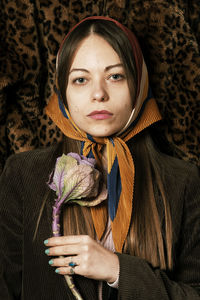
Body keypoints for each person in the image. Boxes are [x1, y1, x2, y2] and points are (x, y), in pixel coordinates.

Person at [0, 16, 200, 300]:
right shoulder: (23, 174)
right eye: (80, 79)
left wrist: (118, 270)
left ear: (138, 84)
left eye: (115, 76)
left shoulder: (183, 181)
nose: (98, 94)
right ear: (62, 92)